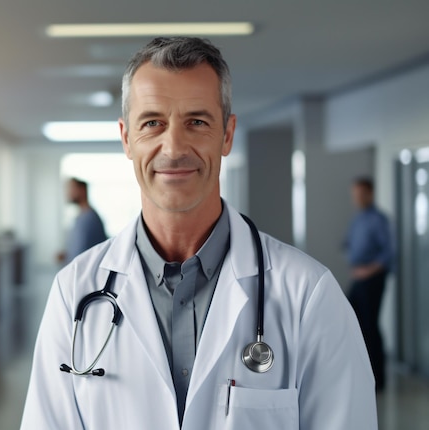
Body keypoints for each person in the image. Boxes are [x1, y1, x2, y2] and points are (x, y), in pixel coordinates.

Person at [22, 37, 377, 429]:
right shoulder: (73, 291)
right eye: (152, 122)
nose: (173, 147)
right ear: (126, 138)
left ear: (226, 135)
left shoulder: (309, 295)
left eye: (197, 121)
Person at [345, 176, 393, 391]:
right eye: (354, 194)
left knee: (370, 327)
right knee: (351, 321)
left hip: (372, 279)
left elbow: (388, 254)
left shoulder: (378, 220)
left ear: (370, 194)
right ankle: (361, 373)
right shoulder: (358, 218)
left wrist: (367, 270)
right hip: (358, 278)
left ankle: (378, 380)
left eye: (361, 194)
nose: (357, 198)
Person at [57, 178, 107, 264]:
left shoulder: (90, 219)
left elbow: (82, 252)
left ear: (82, 190)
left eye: (72, 188)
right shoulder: (81, 217)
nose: (68, 193)